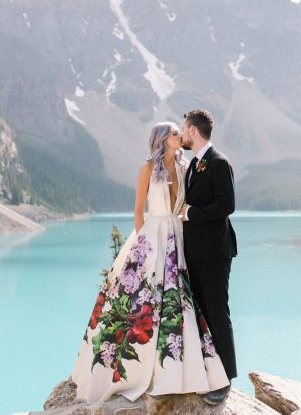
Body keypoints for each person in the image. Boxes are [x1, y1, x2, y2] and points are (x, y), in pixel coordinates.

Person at [71, 122, 229, 404]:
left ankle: (180, 370)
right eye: (175, 133)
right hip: (152, 238)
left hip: (180, 237)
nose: (181, 135)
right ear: (163, 139)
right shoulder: (147, 168)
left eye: (181, 132)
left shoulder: (184, 166)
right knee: (143, 300)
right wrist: (141, 248)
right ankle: (132, 368)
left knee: (180, 300)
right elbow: (138, 212)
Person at [179, 108, 238, 405]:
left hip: (215, 253)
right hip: (195, 252)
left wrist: (192, 213)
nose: (181, 133)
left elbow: (227, 205)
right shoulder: (193, 164)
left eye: (183, 128)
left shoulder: (218, 162)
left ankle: (225, 380)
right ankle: (207, 372)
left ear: (193, 130)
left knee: (217, 311)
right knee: (201, 312)